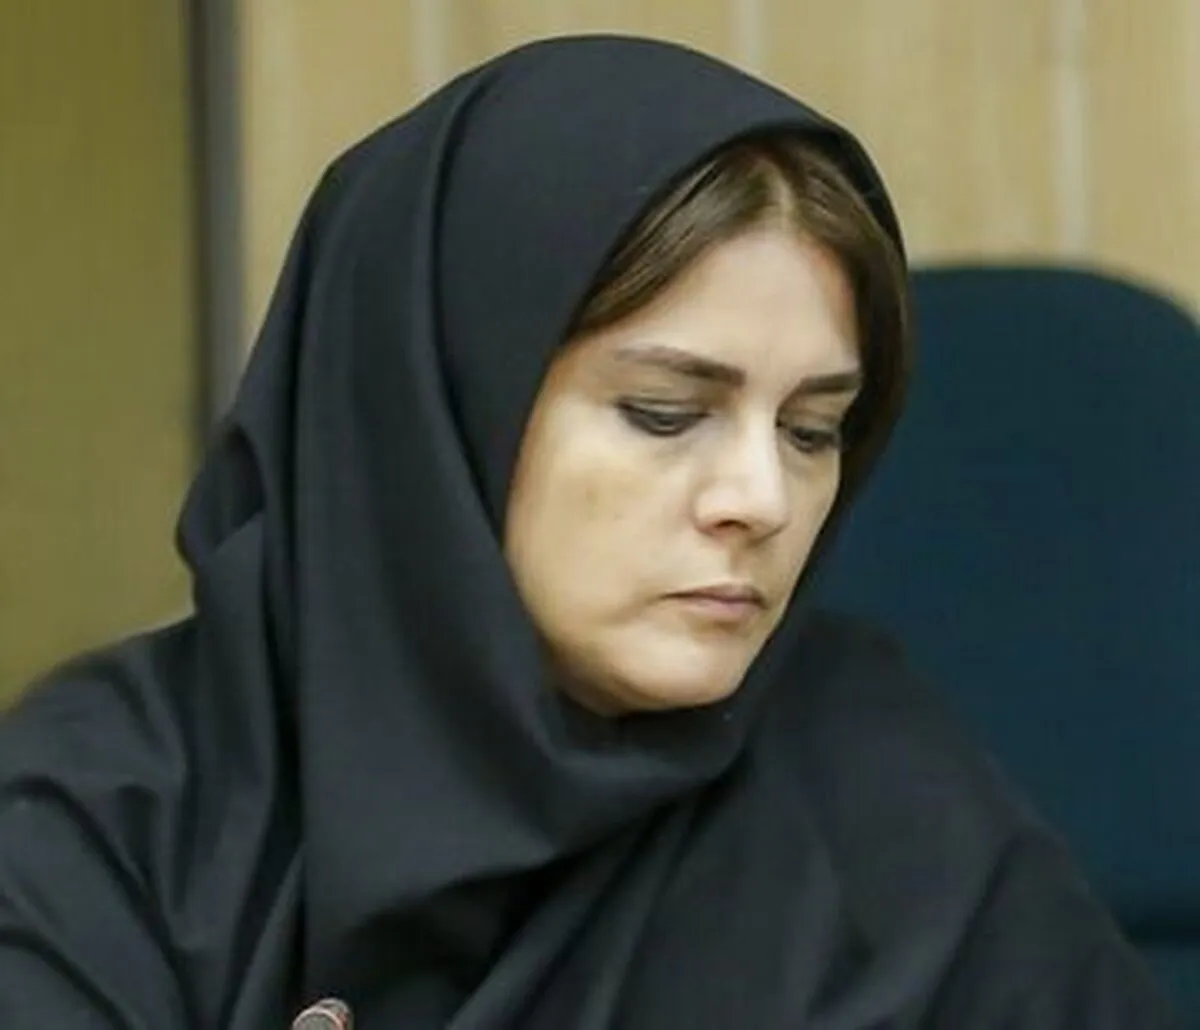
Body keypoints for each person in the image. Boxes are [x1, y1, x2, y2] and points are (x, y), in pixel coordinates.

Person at [0, 34, 1179, 1029]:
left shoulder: (874, 776)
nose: (761, 498)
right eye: (665, 412)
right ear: (436, 412)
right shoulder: (95, 828)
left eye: (814, 430)